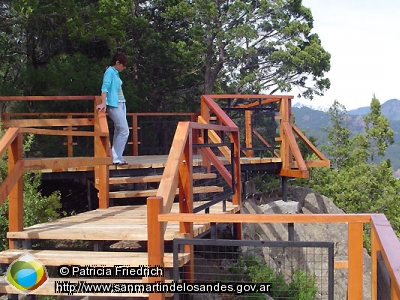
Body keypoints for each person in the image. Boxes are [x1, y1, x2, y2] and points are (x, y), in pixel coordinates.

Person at [96, 51, 130, 165]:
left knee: (119, 130)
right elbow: (105, 87)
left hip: (121, 103)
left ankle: (117, 157)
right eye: (123, 65)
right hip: (114, 104)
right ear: (117, 62)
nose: (124, 68)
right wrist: (103, 102)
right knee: (124, 130)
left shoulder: (116, 73)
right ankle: (115, 156)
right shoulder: (110, 71)